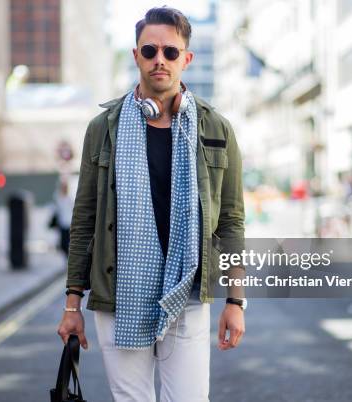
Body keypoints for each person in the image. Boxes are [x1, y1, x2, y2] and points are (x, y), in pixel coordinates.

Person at [56, 7, 246, 401]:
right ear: (136, 55)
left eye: (171, 52)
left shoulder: (215, 128)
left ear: (186, 59)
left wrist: (235, 299)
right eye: (150, 50)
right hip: (119, 293)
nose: (160, 59)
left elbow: (230, 222)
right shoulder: (103, 129)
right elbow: (85, 219)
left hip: (188, 291)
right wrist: (72, 305)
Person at [53, 180, 74, 256]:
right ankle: (66, 260)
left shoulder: (70, 199)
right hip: (62, 224)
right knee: (62, 245)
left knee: (68, 244)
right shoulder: (58, 198)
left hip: (69, 224)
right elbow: (56, 210)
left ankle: (68, 261)